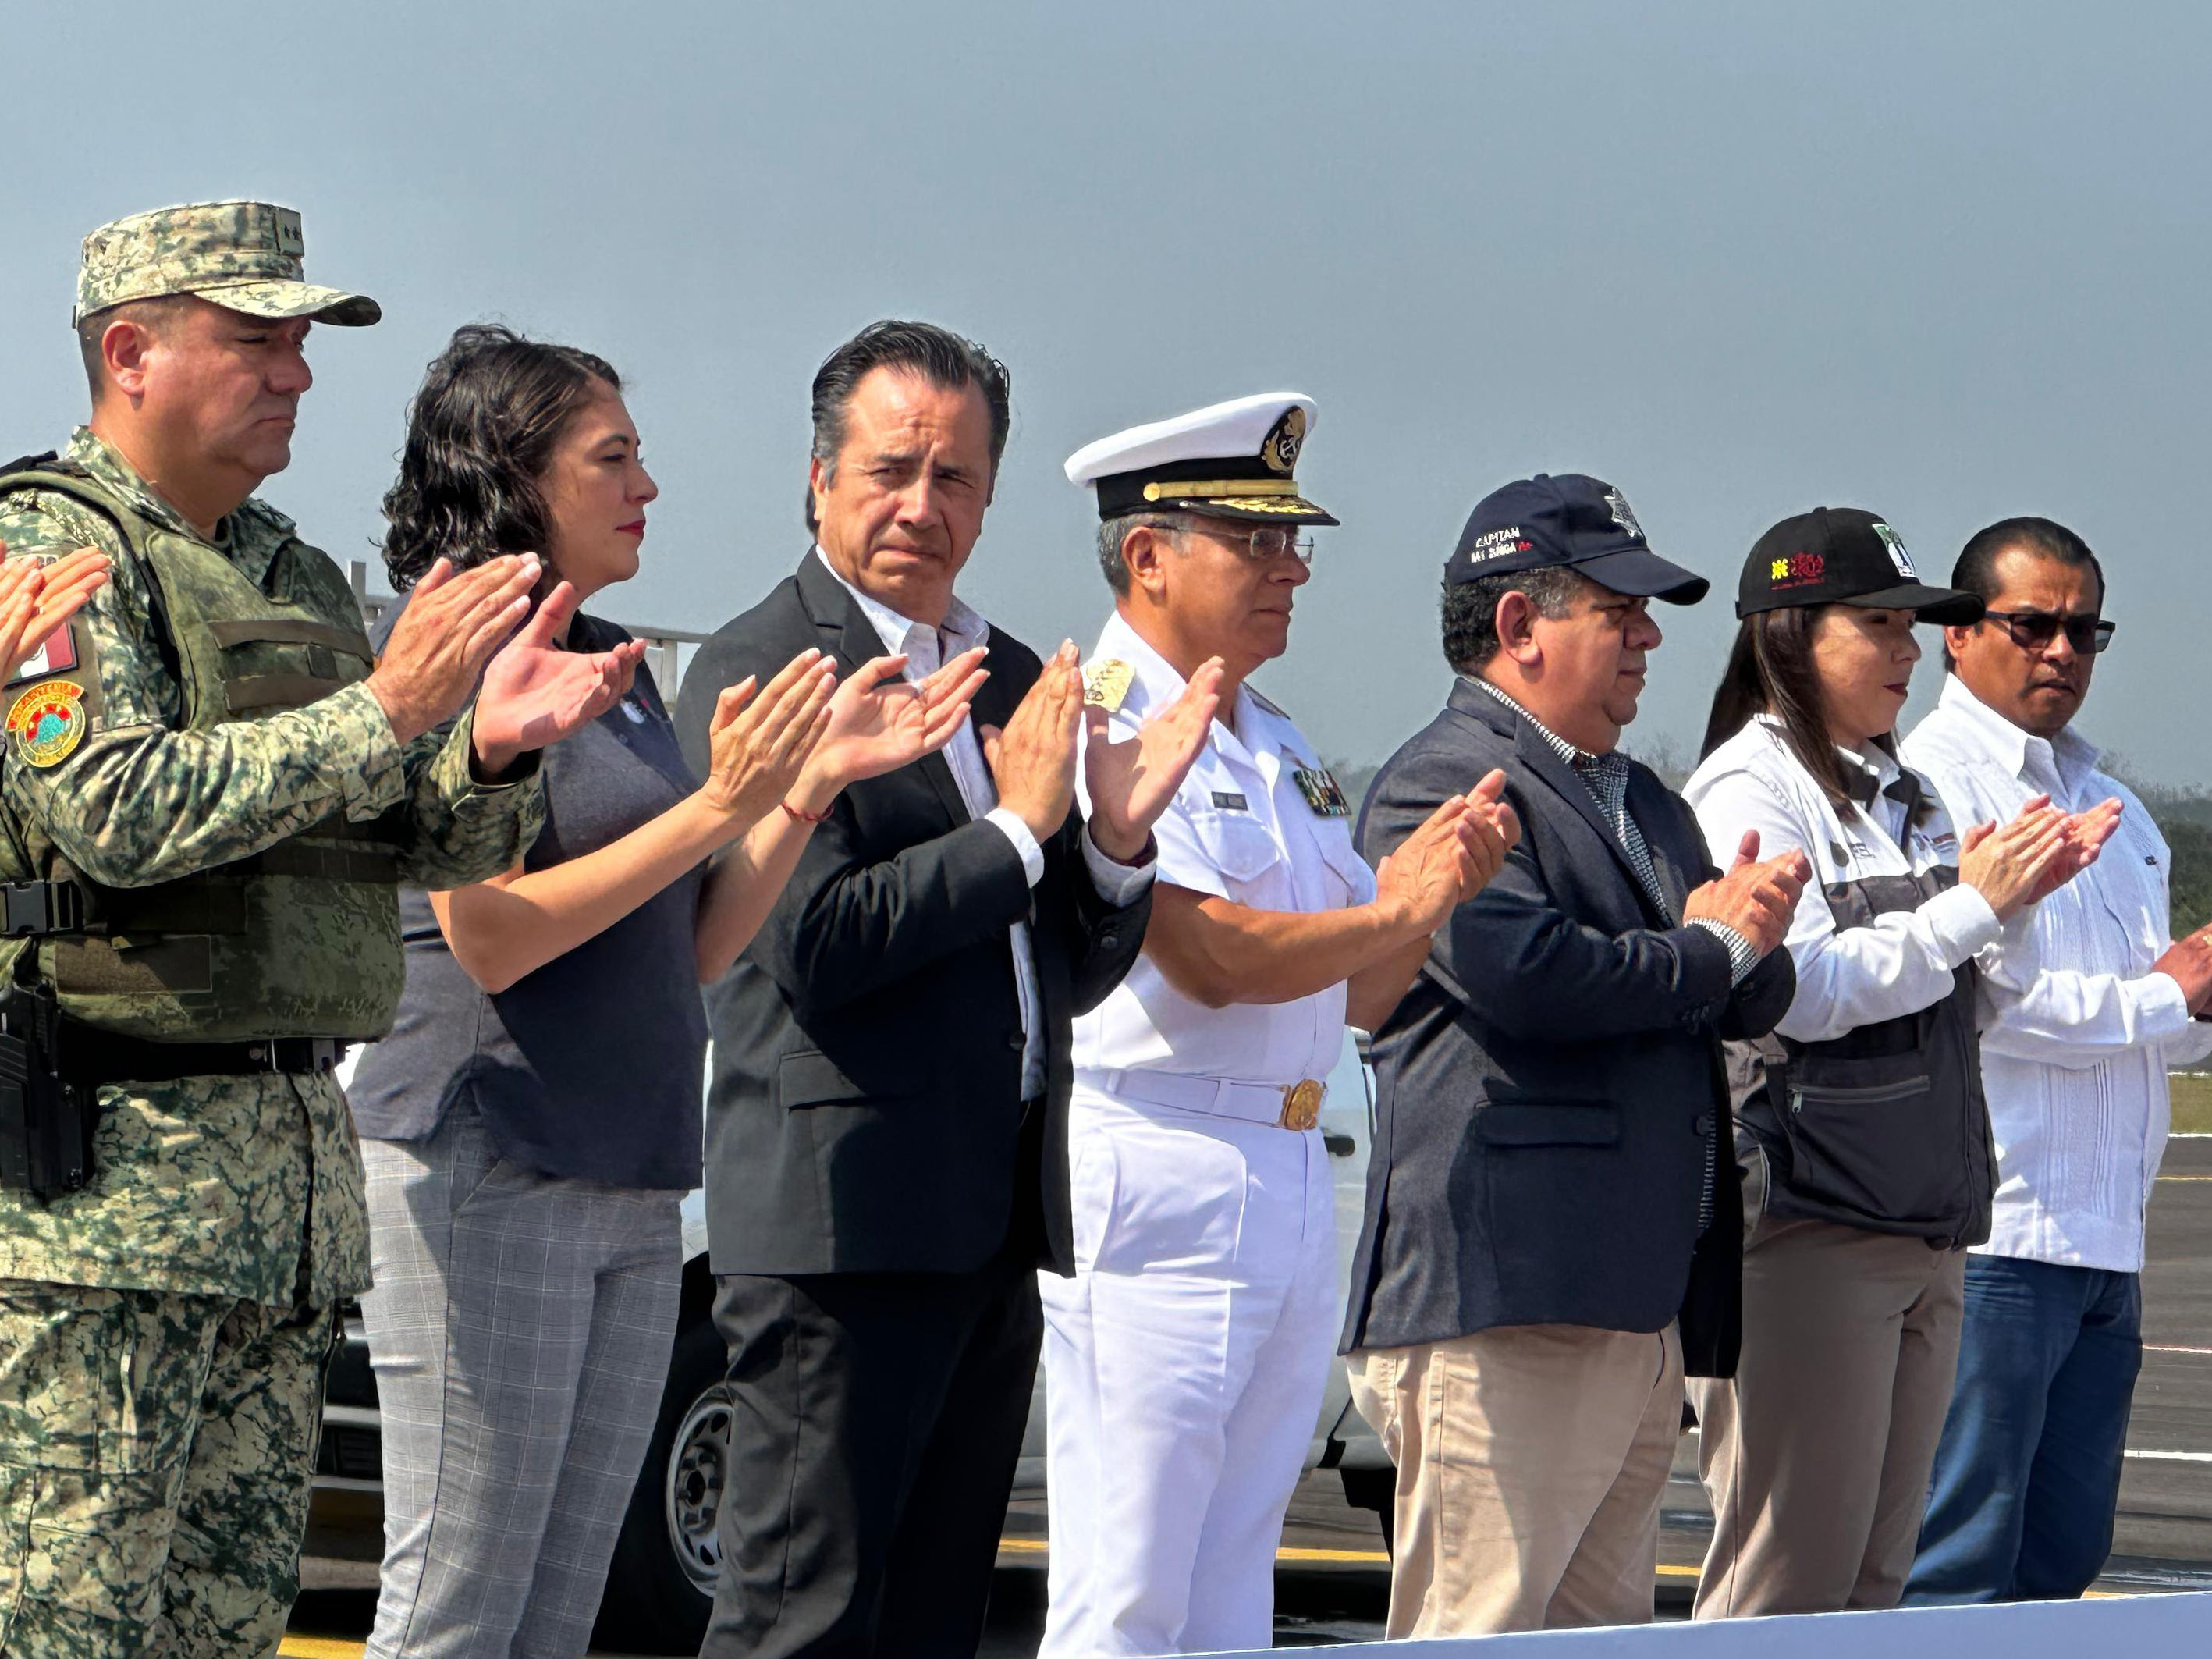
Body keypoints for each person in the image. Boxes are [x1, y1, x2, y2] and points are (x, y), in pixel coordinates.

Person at [0, 202, 627, 1658]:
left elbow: (419, 839)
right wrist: (388, 713)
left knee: (228, 1630)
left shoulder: (288, 572)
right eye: (255, 339)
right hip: (106, 1217)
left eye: (300, 343)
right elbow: (117, 814)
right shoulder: (44, 548)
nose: (294, 372)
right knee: (71, 1627)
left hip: (280, 1213)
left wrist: (486, 757)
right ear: (130, 350)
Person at [343, 326, 985, 1659]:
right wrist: (717, 804)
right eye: (612, 456)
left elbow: (690, 944)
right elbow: (495, 937)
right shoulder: (451, 652)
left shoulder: (617, 658)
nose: (648, 485)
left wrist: (800, 789)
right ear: (516, 478)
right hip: (492, 1160)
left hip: (629, 1176)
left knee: (558, 1615)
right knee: (460, 1607)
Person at [674, 321, 1215, 1658]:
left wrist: (1113, 845)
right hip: (838, 1232)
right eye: (891, 468)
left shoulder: (1013, 674)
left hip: (986, 1225)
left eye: (957, 477)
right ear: (818, 479)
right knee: (800, 1621)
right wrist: (1018, 835)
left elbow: (1059, 970)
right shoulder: (763, 666)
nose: (923, 504)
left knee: (933, 1622)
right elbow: (817, 948)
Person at [1040, 393, 1518, 1656]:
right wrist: (1397, 904)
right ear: (1148, 555)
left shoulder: (1280, 741)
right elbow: (1204, 954)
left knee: (1232, 1585)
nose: (1293, 566)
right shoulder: (1110, 719)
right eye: (1256, 541)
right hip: (1163, 1167)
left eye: (1294, 539)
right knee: (1129, 1583)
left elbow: (1358, 992)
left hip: (1290, 1165)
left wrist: (1429, 891)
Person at [1341, 473, 1807, 1639]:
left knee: (1596, 1634)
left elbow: (1746, 984)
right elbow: (1531, 975)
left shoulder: (1639, 794)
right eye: (1620, 609)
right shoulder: (1442, 781)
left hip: (1631, 1304)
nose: (1651, 635)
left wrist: (1743, 933)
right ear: (1519, 627)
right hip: (1513, 1303)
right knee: (1481, 1625)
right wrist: (1708, 940)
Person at [1684, 506, 2115, 1619]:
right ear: (1790, 635)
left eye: (1911, 624)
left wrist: (2007, 905)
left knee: (1880, 1586)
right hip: (1814, 1221)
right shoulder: (1754, 788)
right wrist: (1974, 904)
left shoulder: (1895, 793)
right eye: (1877, 623)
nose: (1908, 650)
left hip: (1923, 1221)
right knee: (1789, 1581)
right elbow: (1806, 991)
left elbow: (1967, 994)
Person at [1900, 519, 2212, 1602]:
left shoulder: (2112, 810)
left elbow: (2152, 1009)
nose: (2062, 651)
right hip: (2000, 1235)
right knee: (1952, 1566)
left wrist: (2198, 1000)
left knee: (2060, 1560)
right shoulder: (1931, 787)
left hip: (2105, 1238)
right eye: (2033, 624)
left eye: (2085, 629)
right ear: (1956, 634)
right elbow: (1985, 1000)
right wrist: (2163, 996)